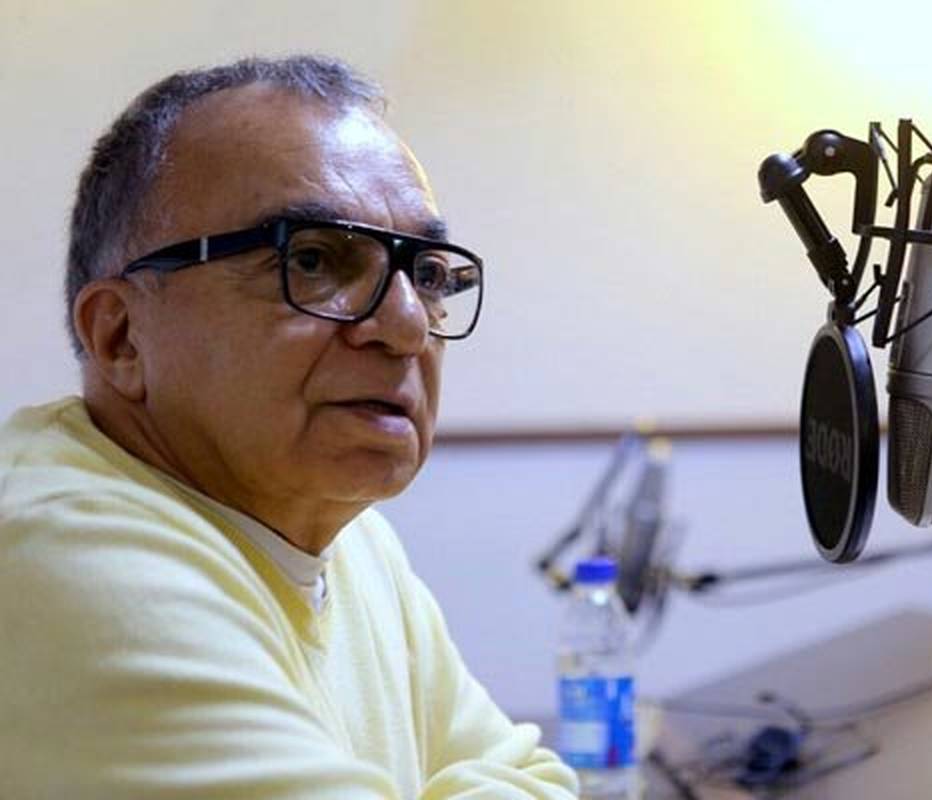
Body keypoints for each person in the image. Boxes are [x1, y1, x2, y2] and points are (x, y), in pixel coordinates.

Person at [0, 55, 577, 799]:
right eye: (312, 260)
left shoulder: (350, 536)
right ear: (121, 337)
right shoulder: (64, 556)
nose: (407, 325)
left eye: (428, 275)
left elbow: (537, 778)